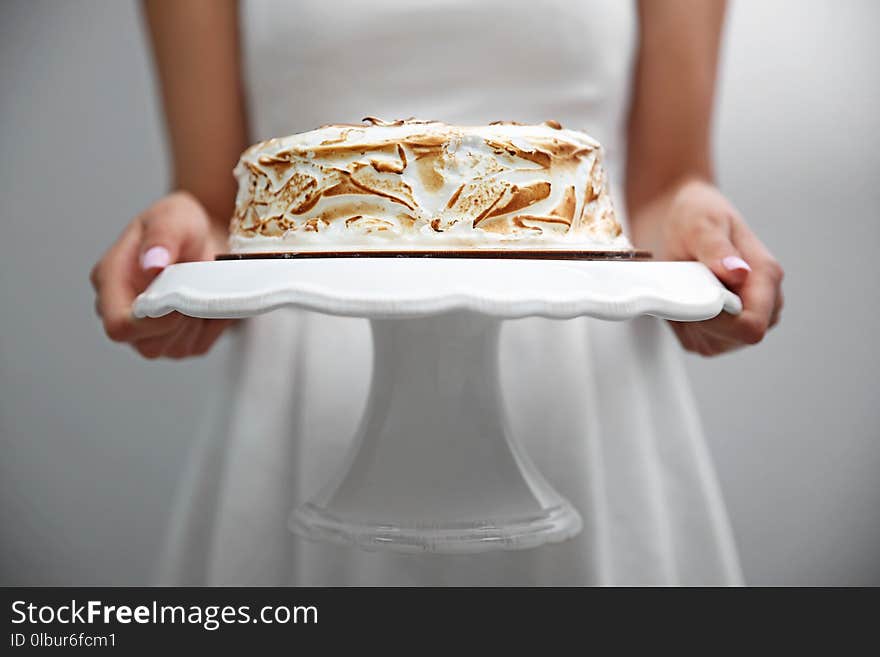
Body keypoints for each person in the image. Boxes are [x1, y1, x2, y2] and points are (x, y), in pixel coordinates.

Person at [90, 0, 783, 585]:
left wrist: (699, 236)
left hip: (584, 390)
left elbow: (664, 189)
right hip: (308, 388)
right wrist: (183, 249)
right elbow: (223, 207)